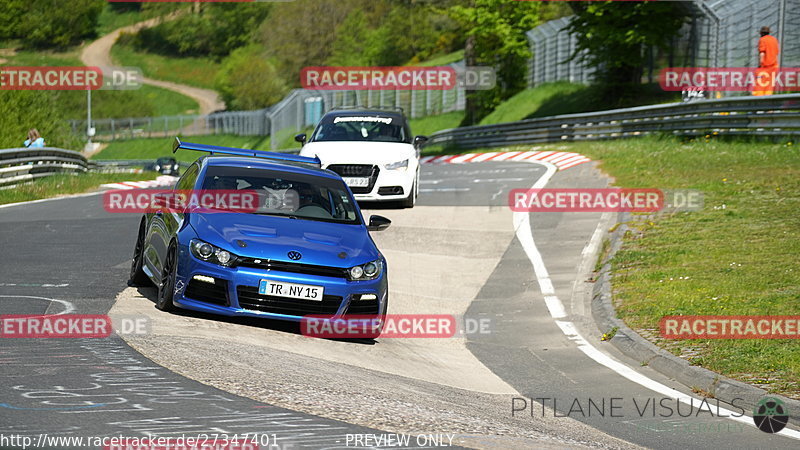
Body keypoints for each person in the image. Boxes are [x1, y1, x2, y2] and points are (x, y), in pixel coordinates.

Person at [753, 26, 780, 96]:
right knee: (769, 86)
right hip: (774, 66)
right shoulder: (774, 40)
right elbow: (776, 53)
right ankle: (768, 103)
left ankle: (759, 103)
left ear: (761, 33)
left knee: (760, 85)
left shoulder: (762, 40)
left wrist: (760, 64)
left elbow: (762, 53)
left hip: (765, 66)